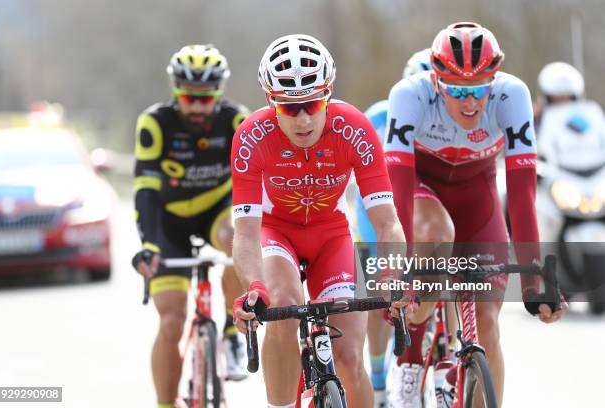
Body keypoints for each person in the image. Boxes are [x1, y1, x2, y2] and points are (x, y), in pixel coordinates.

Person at [383, 22, 568, 407]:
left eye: (479, 89)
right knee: (436, 234)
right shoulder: (408, 96)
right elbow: (397, 195)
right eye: (457, 91)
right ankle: (411, 357)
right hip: (423, 190)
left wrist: (536, 278)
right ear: (436, 82)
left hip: (478, 198)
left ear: (494, 80)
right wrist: (401, 273)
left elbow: (521, 195)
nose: (470, 103)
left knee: (486, 326)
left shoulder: (512, 95)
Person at [230, 34, 411, 408]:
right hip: (277, 232)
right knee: (281, 306)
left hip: (332, 236)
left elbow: (388, 223)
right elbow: (246, 234)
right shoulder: (250, 136)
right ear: (270, 101)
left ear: (328, 93)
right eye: (288, 106)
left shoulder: (355, 129)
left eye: (313, 103)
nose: (303, 118)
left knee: (347, 358)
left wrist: (393, 276)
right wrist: (253, 287)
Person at [131, 44, 250, 408]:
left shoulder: (236, 121)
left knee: (237, 237)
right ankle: (166, 404)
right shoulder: (156, 123)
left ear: (219, 93)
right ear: (174, 90)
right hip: (168, 221)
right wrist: (150, 244)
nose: (197, 107)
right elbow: (146, 191)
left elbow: (253, 189)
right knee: (171, 321)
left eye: (205, 98)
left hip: (217, 210)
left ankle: (231, 331)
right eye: (188, 98)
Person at [352, 47, 432, 408]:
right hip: (379, 216)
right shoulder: (380, 116)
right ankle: (380, 374)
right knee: (376, 296)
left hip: (423, 210)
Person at [534, 61, 585, 131]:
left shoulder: (584, 123)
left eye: (566, 100)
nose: (561, 107)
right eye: (556, 101)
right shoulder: (535, 123)